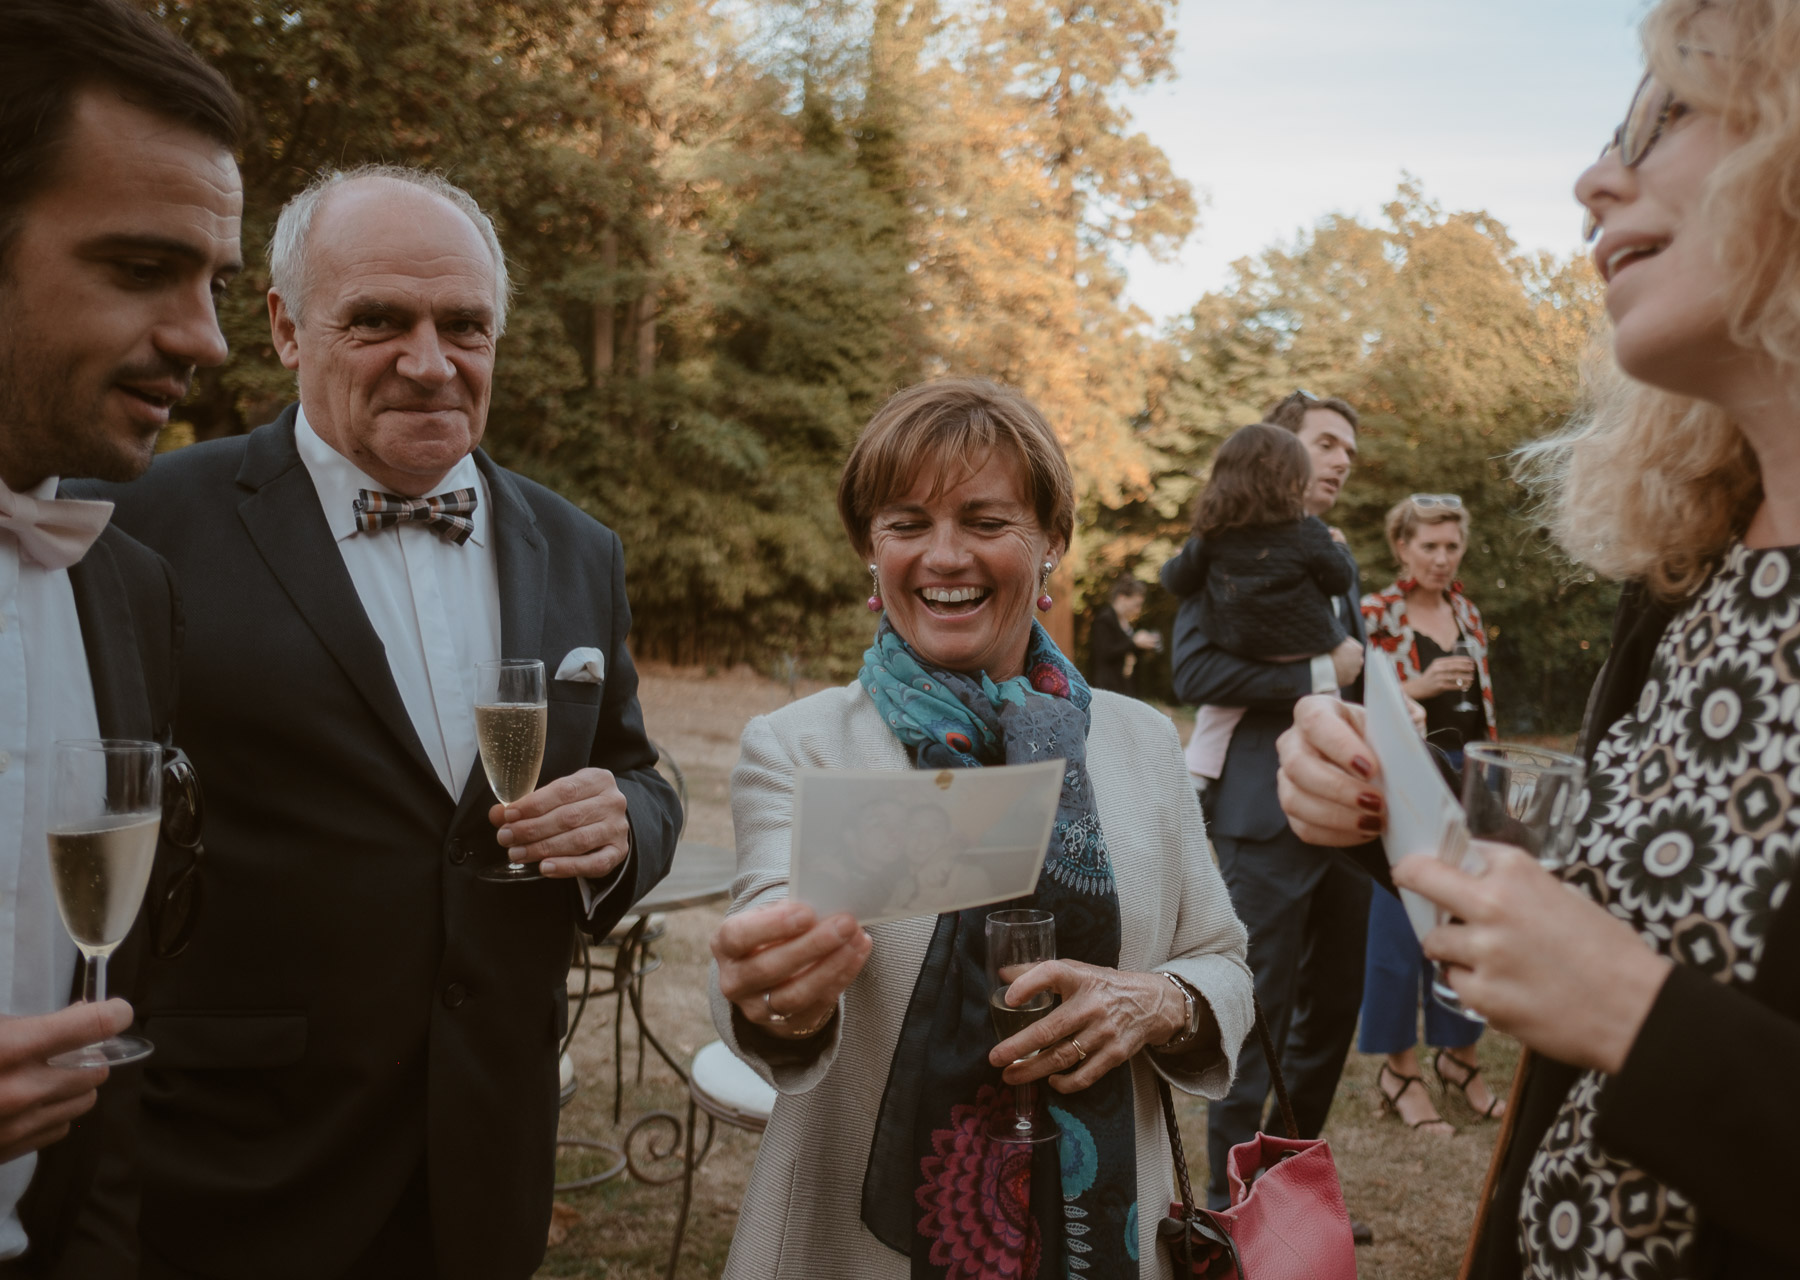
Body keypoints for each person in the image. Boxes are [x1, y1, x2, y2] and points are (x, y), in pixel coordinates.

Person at [1277, 2, 1800, 1276]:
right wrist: (1389, 819)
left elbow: (1633, 991)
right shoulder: (1685, 582)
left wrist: (1647, 1026)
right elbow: (1608, 924)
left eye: (1667, 112)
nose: (1590, 179)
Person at [83, 166, 682, 1278]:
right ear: (284, 327)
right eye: (377, 321)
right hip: (230, 1164)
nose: (429, 360)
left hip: (485, 1155)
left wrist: (624, 825)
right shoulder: (140, 522)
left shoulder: (578, 546)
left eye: (464, 325)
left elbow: (637, 769)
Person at [708, 377, 1252, 1279]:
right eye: (907, 523)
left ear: (1052, 547)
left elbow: (1222, 962)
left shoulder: (1143, 740)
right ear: (869, 551)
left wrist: (1156, 1001)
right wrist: (773, 991)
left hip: (1105, 1233)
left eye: (987, 522)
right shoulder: (799, 746)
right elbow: (770, 935)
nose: (944, 556)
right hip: (863, 1245)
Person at [0, 1, 242, 1271]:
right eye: (143, 269)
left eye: (213, 284)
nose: (204, 337)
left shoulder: (128, 587)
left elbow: (113, 1022)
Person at [1170, 391, 1382, 1236]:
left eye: (1349, 452)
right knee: (1257, 1009)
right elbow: (1193, 672)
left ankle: (1293, 1196)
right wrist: (1322, 677)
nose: (1338, 461)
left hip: (1355, 819)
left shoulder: (1332, 550)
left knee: (1330, 1009)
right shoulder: (1223, 547)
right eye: (1325, 444)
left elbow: (1356, 671)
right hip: (1264, 808)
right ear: (1279, 452)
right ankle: (1230, 1208)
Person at [1354, 493, 1502, 1134]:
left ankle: (1461, 1059)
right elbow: (1359, 698)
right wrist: (1420, 685)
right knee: (1399, 926)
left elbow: (1487, 703)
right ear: (1402, 547)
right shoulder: (1375, 611)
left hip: (1470, 777)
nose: (1442, 559)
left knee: (1467, 919)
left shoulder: (1467, 612)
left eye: (1452, 547)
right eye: (1429, 546)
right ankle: (1401, 1071)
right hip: (1406, 778)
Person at [1161, 422, 1356, 789]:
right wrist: (1340, 549)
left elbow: (1177, 580)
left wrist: (1174, 561)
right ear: (1294, 480)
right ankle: (1333, 766)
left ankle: (1197, 772)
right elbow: (1339, 580)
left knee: (1217, 715)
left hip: (1241, 648)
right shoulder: (1309, 530)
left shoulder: (1214, 534)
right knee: (1326, 704)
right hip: (1308, 647)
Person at [1087, 575, 1158, 695]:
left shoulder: (1125, 623)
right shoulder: (1104, 620)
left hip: (1124, 684)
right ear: (1122, 598)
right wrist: (1134, 642)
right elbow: (1105, 652)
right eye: (1136, 605)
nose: (1138, 610)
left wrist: (1144, 644)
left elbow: (1127, 652)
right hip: (1108, 686)